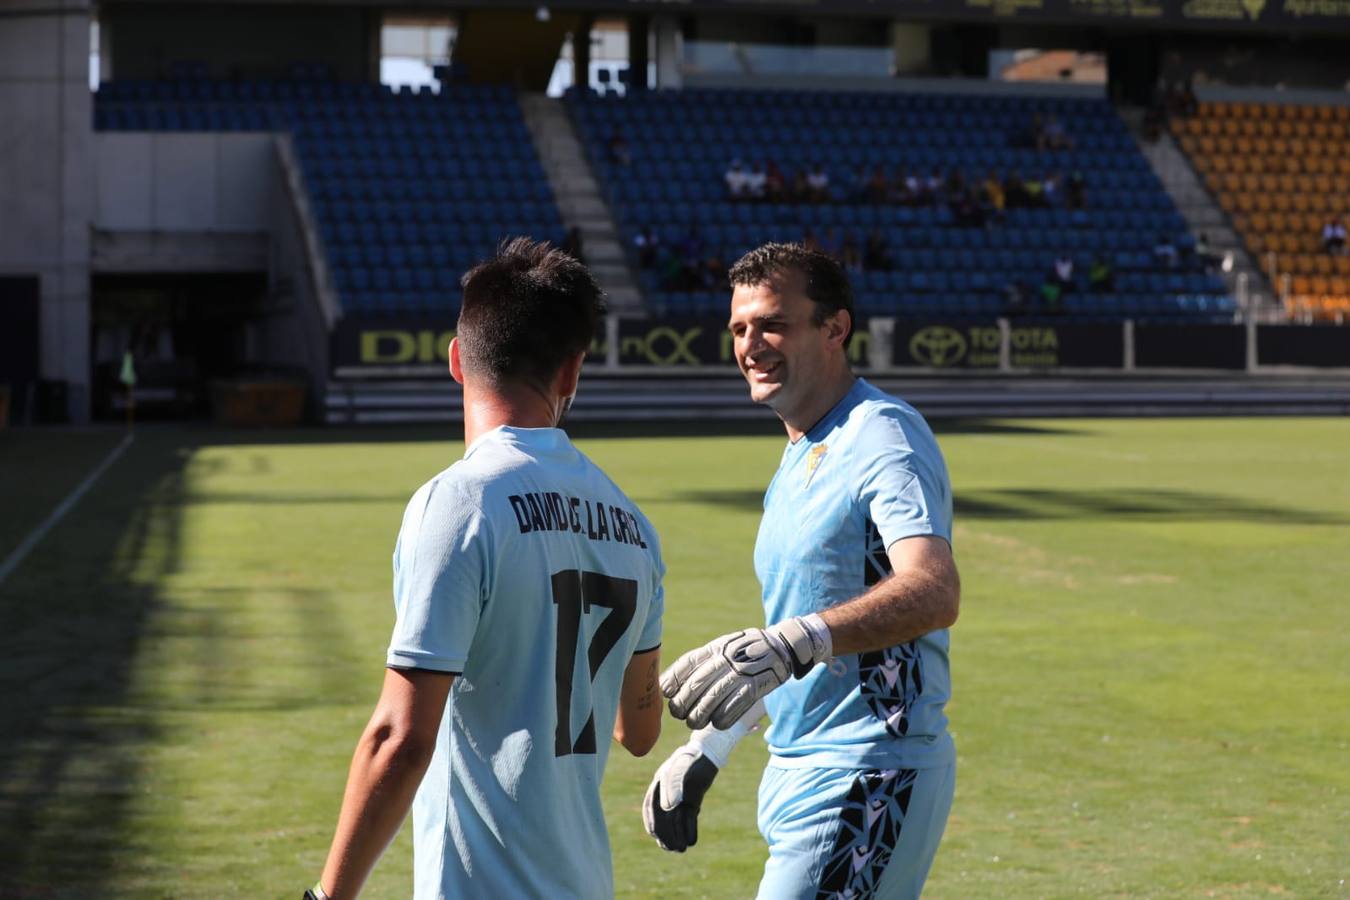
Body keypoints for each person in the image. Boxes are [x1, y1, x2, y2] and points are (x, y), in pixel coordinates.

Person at [307, 239, 666, 900]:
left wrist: (328, 896)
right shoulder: (632, 524)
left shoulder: (462, 502)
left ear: (455, 359)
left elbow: (400, 738)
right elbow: (639, 731)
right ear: (572, 373)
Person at [643, 244, 960, 899]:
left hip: (870, 770)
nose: (750, 343)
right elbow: (797, 639)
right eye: (738, 328)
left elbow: (932, 587)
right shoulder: (799, 455)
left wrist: (795, 640)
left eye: (773, 324)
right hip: (799, 770)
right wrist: (713, 745)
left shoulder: (881, 434)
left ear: (835, 329)